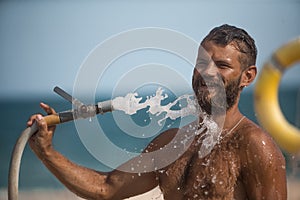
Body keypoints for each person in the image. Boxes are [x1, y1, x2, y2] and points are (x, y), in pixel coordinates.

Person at [27, 24, 287, 199]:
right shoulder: (172, 143)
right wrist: (46, 153)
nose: (207, 72)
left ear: (247, 76)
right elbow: (106, 188)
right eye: (202, 63)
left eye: (221, 65)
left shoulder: (254, 146)